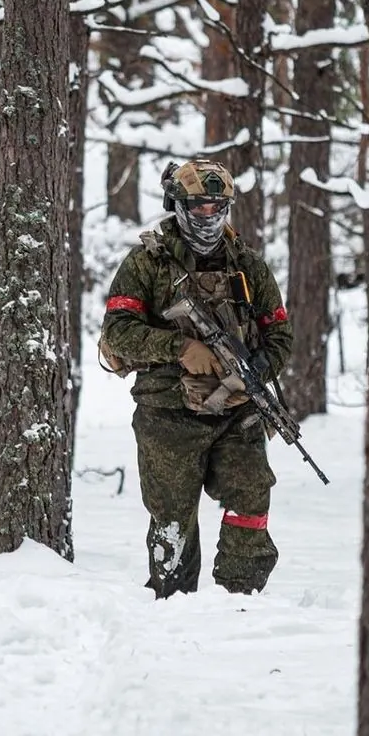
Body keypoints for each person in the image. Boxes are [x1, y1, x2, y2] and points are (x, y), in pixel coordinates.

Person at [99, 159, 294, 599]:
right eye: (199, 207)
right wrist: (181, 349)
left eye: (216, 207)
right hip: (167, 413)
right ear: (178, 205)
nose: (208, 216)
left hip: (236, 410)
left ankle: (238, 600)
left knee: (251, 493)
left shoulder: (248, 265)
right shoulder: (147, 262)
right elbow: (118, 331)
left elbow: (279, 333)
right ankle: (173, 606)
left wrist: (257, 371)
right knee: (172, 518)